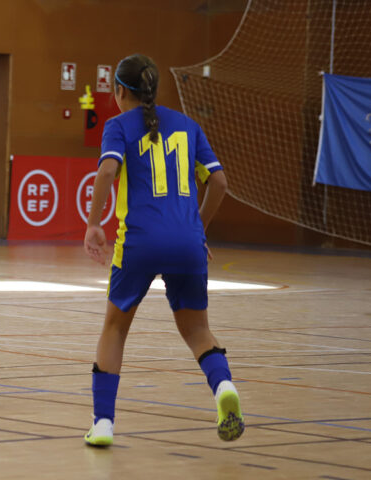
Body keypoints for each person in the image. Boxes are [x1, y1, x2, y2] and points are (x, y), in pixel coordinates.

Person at [82, 54, 243, 446]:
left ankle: (103, 424)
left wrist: (93, 224)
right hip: (188, 243)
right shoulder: (189, 126)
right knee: (198, 330)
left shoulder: (118, 126)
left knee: (115, 328)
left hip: (139, 240)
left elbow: (106, 171)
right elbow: (219, 183)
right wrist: (197, 230)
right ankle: (223, 388)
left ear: (119, 91)